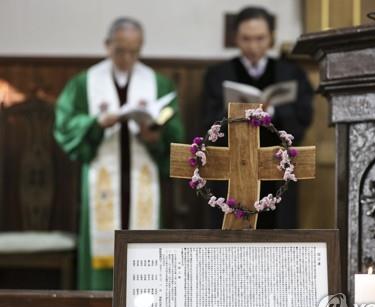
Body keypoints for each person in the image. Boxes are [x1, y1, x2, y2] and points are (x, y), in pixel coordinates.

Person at [54, 17, 185, 292]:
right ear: (107, 45)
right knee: (103, 237)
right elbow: (65, 125)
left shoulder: (157, 83)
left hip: (142, 175)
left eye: (135, 51)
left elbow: (174, 129)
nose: (128, 57)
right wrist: (96, 123)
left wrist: (156, 135)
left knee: (143, 247)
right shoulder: (84, 83)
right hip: (103, 175)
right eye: (120, 50)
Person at [203, 6, 313, 228]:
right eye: (246, 39)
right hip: (234, 168)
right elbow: (208, 123)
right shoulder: (218, 75)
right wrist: (238, 114)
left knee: (277, 232)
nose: (253, 46)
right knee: (234, 231)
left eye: (260, 38)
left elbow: (303, 118)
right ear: (236, 38)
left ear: (271, 37)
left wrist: (271, 112)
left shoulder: (290, 73)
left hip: (277, 168)